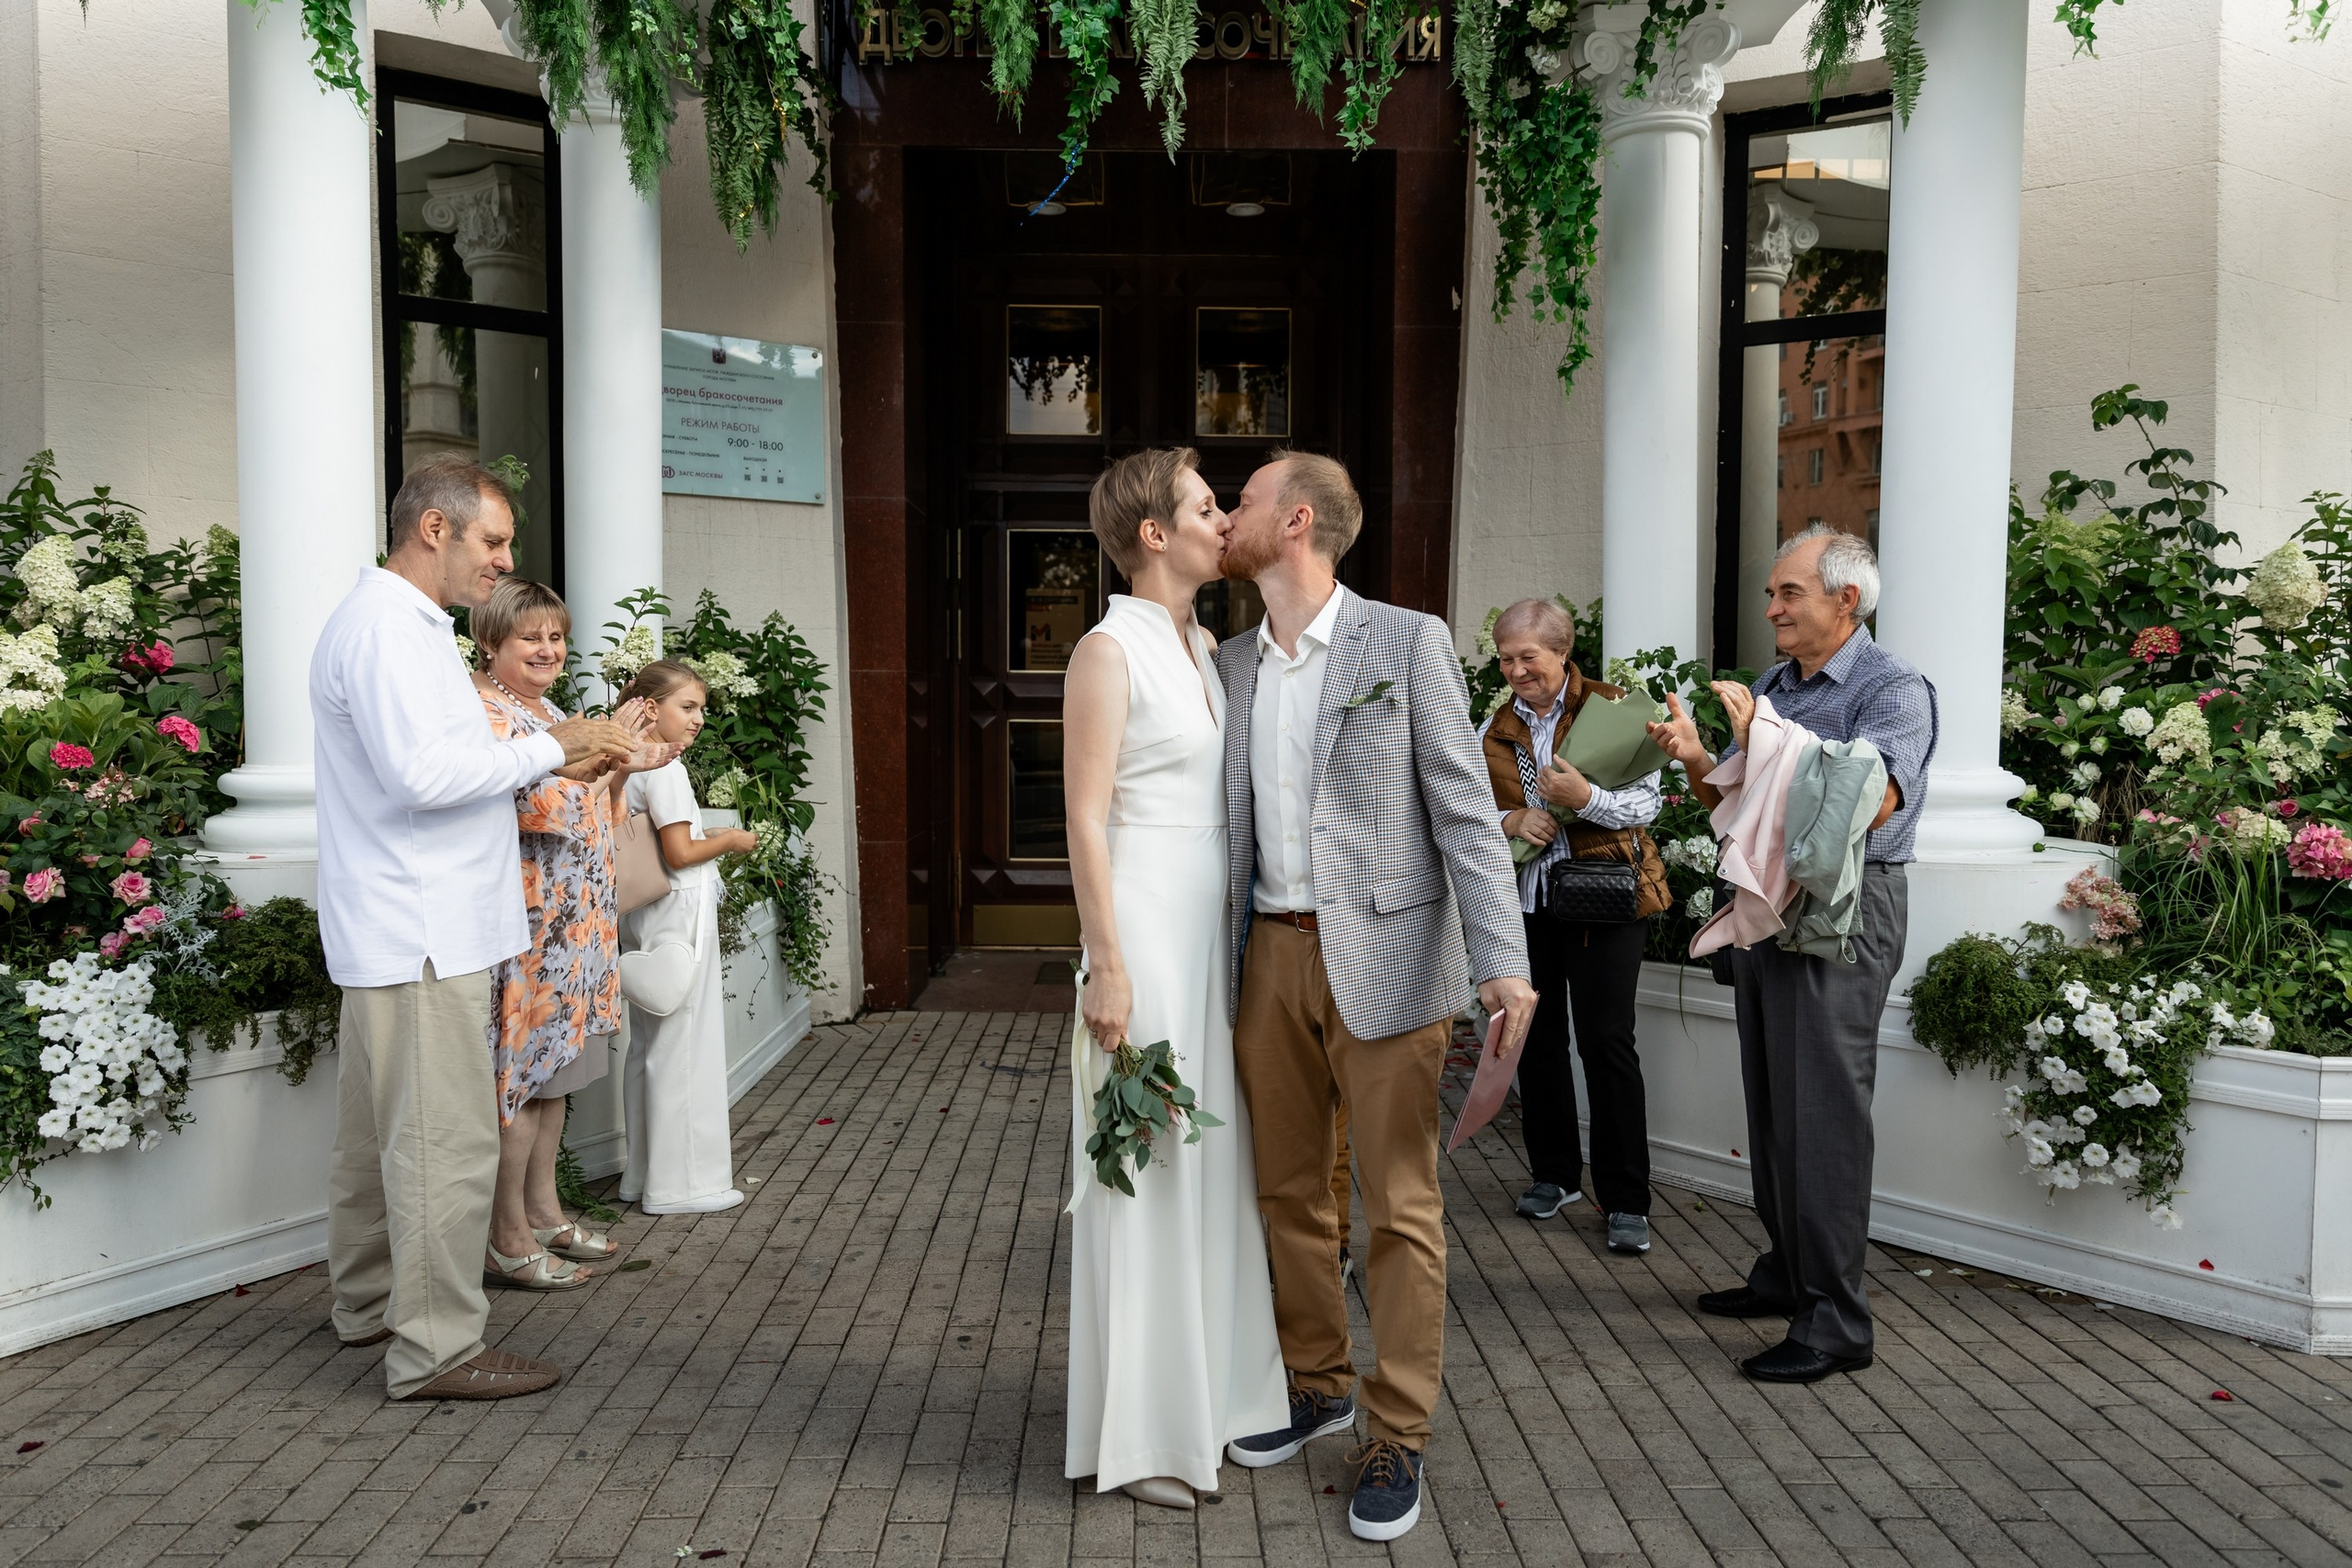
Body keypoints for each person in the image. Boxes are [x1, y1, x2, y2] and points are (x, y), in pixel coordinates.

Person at [1212, 451, 1535, 1543]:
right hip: (1267, 956)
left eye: (1243, 501)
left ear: (1295, 521)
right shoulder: (1229, 660)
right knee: (1288, 1192)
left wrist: (1501, 960)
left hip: (1393, 958)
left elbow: (1464, 811)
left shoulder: (1406, 641)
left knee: (1398, 1207)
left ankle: (1397, 1432)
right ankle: (1317, 1384)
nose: (1227, 514)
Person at [313, 457, 637, 1401]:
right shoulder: (390, 629)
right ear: (434, 529)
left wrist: (549, 761)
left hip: (405, 922)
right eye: (492, 541)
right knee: (442, 1150)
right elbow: (423, 777)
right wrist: (549, 746)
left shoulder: (400, 625)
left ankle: (369, 1305)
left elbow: (442, 762)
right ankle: (436, 1349)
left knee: (375, 1142)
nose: (502, 561)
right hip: (424, 929)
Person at [1646, 525, 1938, 1384]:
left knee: (1823, 1115)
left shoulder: (1893, 689)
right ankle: (1787, 1273)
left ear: (1847, 600)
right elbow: (1740, 804)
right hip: (1769, 903)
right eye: (1771, 593)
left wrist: (1769, 745)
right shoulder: (1777, 684)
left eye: (1789, 593)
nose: (1771, 607)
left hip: (1845, 908)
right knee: (1776, 1105)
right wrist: (1701, 756)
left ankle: (1836, 1321)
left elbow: (1867, 806)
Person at [1061, 446, 1288, 1511]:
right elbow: (1082, 818)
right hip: (1143, 933)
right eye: (1206, 508)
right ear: (1154, 535)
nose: (1223, 522)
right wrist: (1107, 964)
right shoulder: (1107, 650)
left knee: (1208, 1168)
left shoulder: (1202, 644)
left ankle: (1217, 1400)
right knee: (1148, 1170)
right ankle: (1143, 1436)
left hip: (1208, 936)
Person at [472, 578, 672, 1289]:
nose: (547, 649)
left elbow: (599, 810)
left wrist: (621, 762)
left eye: (556, 636)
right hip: (531, 928)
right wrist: (607, 754)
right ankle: (506, 1236)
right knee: (522, 1085)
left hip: (576, 927)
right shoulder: (485, 712)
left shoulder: (551, 712)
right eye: (530, 636)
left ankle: (545, 1213)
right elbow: (542, 812)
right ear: (490, 641)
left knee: (556, 1082)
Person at [1480, 598, 1668, 1254]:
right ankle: (1555, 1175)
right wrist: (1510, 820)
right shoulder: (1494, 725)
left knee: (1607, 1043)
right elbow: (1465, 803)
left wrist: (1585, 799)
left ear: (1563, 652)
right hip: (1525, 902)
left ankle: (1626, 1199)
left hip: (1603, 902)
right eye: (1506, 659)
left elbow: (1648, 802)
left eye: (1528, 657)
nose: (1516, 671)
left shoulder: (1613, 709)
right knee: (1534, 1040)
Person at [614, 660, 761, 1215]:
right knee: (686, 1044)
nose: (698, 719)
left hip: (648, 915)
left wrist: (707, 833)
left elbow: (659, 840)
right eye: (688, 706)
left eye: (702, 708)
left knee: (650, 1046)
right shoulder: (666, 767)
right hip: (680, 911)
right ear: (651, 708)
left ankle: (644, 1175)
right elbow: (679, 855)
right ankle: (684, 1185)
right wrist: (733, 840)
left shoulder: (629, 760)